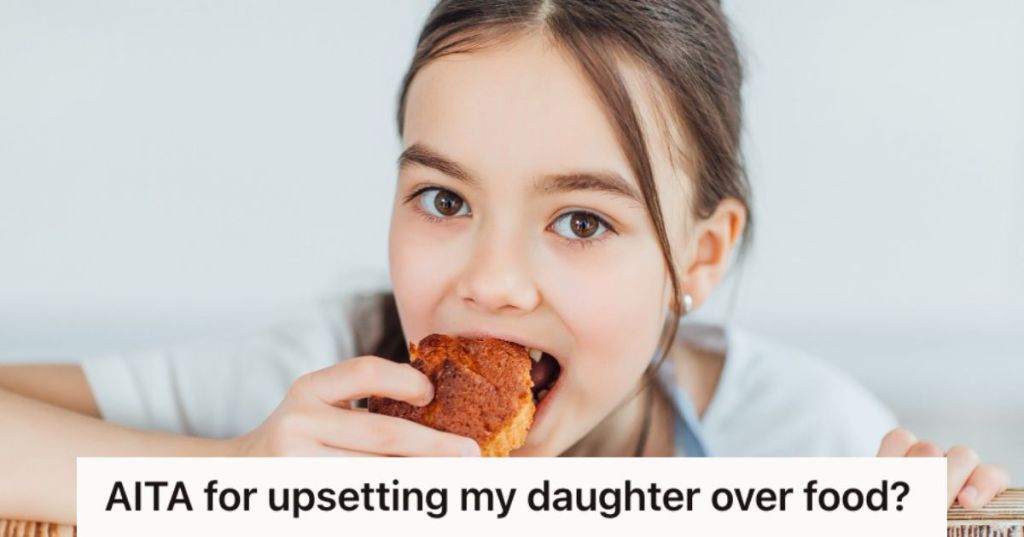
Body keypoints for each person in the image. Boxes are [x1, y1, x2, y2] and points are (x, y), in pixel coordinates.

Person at [0, 0, 1009, 525]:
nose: (488, 280)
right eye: (443, 200)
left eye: (579, 222)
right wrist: (232, 480)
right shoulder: (323, 402)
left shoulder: (802, 442)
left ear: (698, 257)